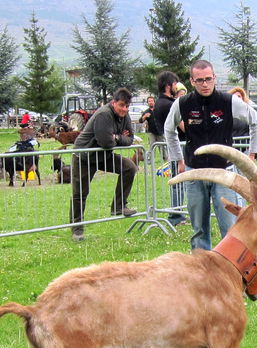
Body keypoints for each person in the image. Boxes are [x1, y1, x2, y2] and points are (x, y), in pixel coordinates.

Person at [164, 59, 257, 251]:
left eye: (208, 79)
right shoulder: (182, 103)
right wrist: (178, 159)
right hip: (195, 172)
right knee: (199, 228)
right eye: (199, 80)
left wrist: (252, 154)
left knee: (230, 227)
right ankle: (201, 270)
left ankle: (233, 270)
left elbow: (256, 120)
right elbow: (169, 129)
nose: (205, 84)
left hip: (224, 172)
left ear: (215, 78)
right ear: (192, 81)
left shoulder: (228, 101)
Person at [69, 88, 138, 242]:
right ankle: (77, 229)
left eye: (127, 106)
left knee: (129, 168)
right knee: (80, 193)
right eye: (121, 105)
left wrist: (116, 137)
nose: (124, 109)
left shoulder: (124, 116)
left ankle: (118, 207)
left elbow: (130, 139)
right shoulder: (103, 115)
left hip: (103, 155)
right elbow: (106, 142)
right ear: (114, 103)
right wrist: (118, 138)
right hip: (84, 156)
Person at [153, 71, 186, 226]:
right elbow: (183, 127)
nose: (177, 86)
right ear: (168, 86)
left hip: (174, 146)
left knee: (178, 181)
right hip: (177, 147)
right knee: (179, 182)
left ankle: (178, 215)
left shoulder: (160, 103)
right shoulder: (169, 105)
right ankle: (176, 216)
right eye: (174, 84)